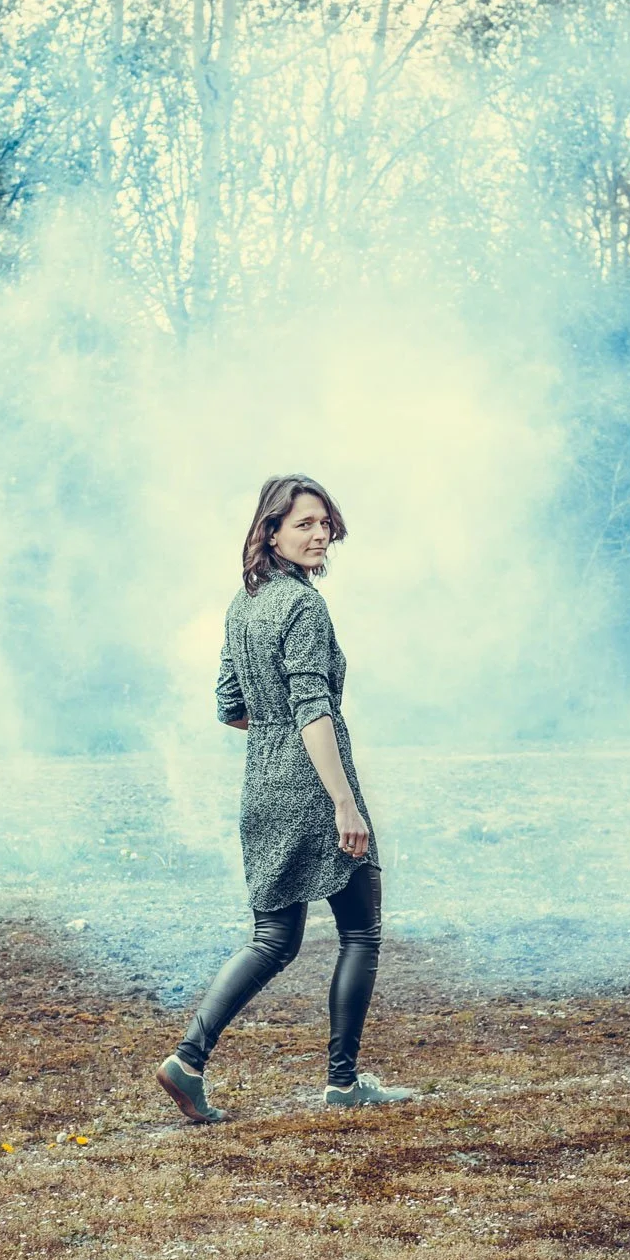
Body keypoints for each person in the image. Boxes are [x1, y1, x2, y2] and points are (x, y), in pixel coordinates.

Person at [155, 474, 414, 1122]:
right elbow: (312, 708)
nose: (320, 534)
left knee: (272, 939)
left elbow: (230, 707)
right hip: (311, 783)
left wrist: (278, 732)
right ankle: (343, 1082)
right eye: (304, 523)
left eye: (325, 523)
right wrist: (344, 803)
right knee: (361, 931)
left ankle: (188, 1059)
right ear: (269, 530)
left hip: (262, 782)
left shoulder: (244, 604)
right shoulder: (302, 606)